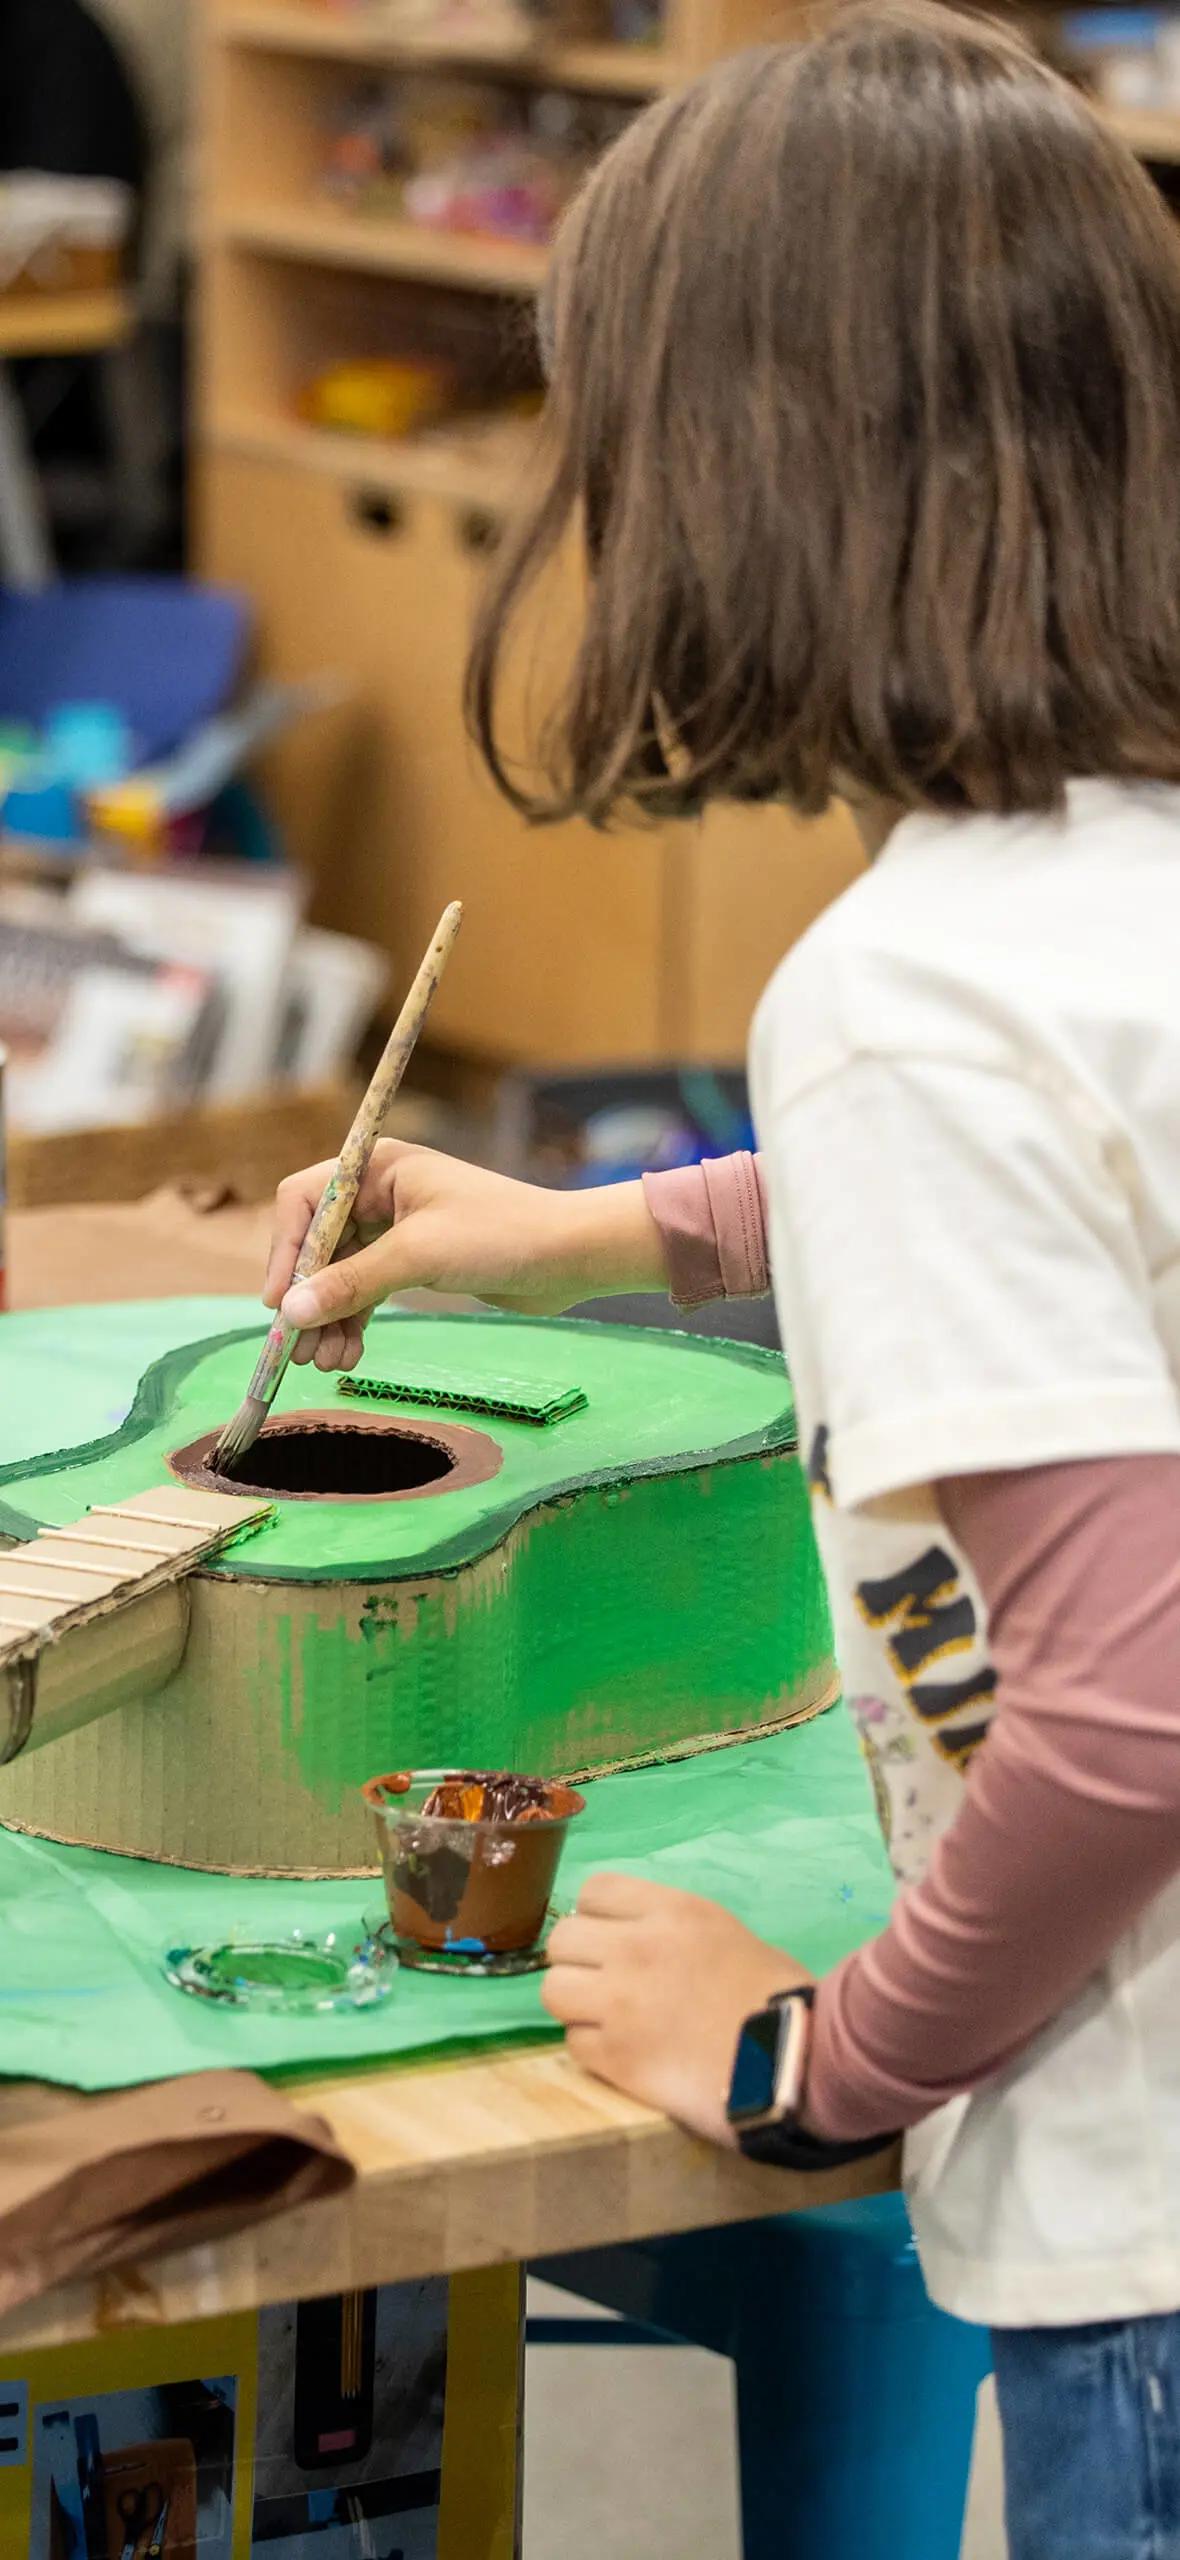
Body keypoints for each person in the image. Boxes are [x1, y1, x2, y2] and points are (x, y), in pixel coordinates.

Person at [265, 10, 1180, 2549]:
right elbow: (1108, 1223)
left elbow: (1114, 1721)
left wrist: (815, 2060)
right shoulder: (1111, 907)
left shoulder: (916, 997)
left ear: (730, 480)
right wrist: (608, 1227)